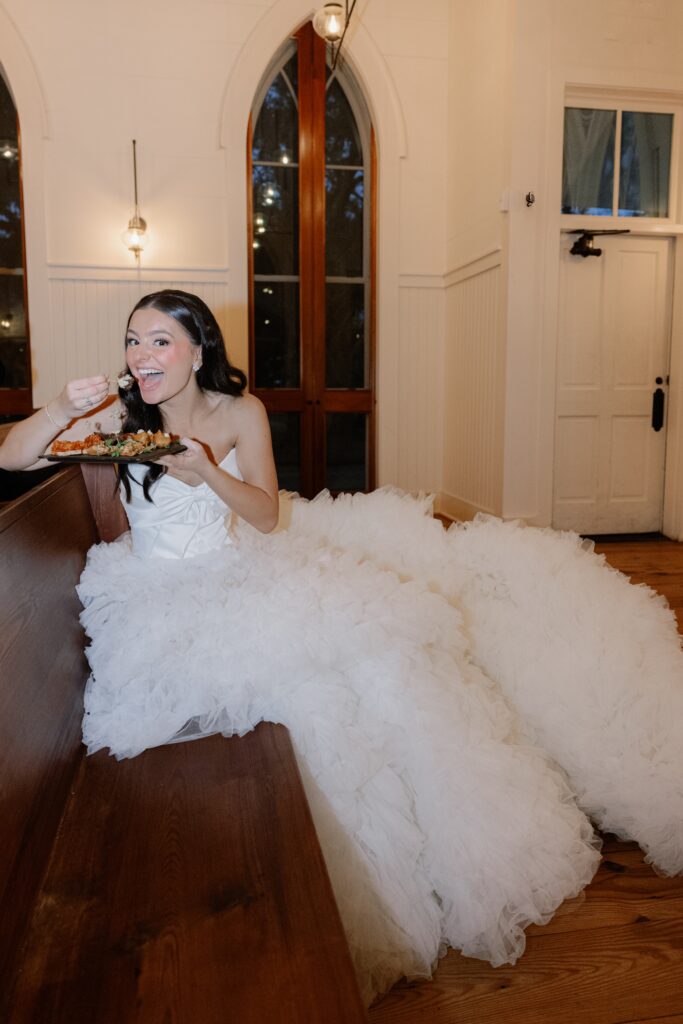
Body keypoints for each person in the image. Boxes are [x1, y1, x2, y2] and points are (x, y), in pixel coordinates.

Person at [1, 289, 682, 1006]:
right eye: (132, 341)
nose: (141, 356)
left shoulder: (240, 412)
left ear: (198, 351)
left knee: (364, 672)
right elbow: (11, 457)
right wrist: (60, 406)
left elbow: (267, 516)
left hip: (236, 571)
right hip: (152, 592)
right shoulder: (121, 415)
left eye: (159, 341)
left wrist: (209, 472)